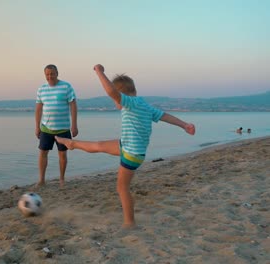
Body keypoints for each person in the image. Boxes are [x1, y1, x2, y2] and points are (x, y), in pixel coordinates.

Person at [56, 64, 195, 228]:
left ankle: (130, 222)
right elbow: (164, 116)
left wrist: (99, 72)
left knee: (122, 188)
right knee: (99, 145)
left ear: (121, 96)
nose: (115, 103)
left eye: (115, 100)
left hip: (131, 154)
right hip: (127, 146)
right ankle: (72, 144)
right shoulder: (144, 105)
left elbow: (111, 92)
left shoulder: (131, 103)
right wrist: (184, 125)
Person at [35, 64, 78, 188]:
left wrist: (74, 125)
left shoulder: (66, 86)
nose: (50, 76)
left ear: (57, 73)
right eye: (47, 74)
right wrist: (37, 126)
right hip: (46, 128)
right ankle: (42, 180)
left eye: (52, 73)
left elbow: (73, 106)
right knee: (43, 153)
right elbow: (38, 109)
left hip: (63, 128)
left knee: (63, 154)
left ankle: (62, 180)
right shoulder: (41, 89)